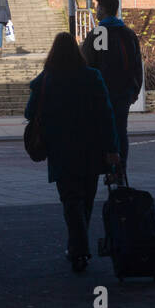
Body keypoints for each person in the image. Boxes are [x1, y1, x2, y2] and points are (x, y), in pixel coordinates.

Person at [24, 32, 120, 272]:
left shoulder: (46, 80)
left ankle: (78, 248)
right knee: (86, 199)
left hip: (61, 148)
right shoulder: (92, 77)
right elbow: (106, 115)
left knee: (70, 200)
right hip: (91, 148)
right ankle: (79, 246)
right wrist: (112, 149)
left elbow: (29, 112)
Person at [79, 0, 144, 168]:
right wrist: (135, 90)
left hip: (103, 92)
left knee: (103, 130)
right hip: (124, 92)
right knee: (121, 130)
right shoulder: (127, 33)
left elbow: (90, 64)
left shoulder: (100, 33)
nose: (96, 10)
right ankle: (120, 168)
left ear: (105, 10)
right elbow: (137, 64)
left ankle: (108, 167)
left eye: (98, 7)